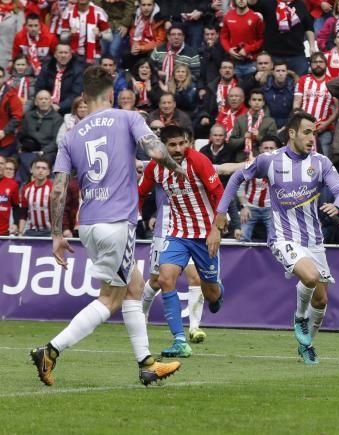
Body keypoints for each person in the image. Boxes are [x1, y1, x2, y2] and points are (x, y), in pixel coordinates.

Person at [32, 65, 184, 387]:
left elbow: (59, 188)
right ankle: (50, 350)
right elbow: (156, 150)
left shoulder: (72, 134)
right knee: (110, 298)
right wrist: (177, 168)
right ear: (112, 94)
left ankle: (147, 364)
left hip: (88, 223)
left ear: (85, 97)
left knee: (135, 286)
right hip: (118, 222)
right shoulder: (127, 118)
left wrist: (57, 235)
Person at [208, 111, 339, 365]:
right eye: (307, 132)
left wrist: (338, 205)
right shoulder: (270, 160)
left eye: (314, 133)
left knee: (322, 298)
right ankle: (299, 317)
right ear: (292, 133)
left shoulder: (320, 162)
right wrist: (221, 212)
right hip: (282, 237)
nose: (311, 138)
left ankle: (307, 345)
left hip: (313, 239)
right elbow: (238, 176)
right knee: (310, 276)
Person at [136, 125, 225, 358]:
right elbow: (140, 192)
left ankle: (217, 293)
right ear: (163, 146)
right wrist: (132, 216)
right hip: (176, 233)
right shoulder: (156, 168)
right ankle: (179, 341)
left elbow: (219, 193)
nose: (178, 149)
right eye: (172, 145)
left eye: (182, 143)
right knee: (165, 279)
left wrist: (216, 228)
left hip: (205, 234)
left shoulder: (199, 161)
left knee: (211, 292)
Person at [248, 0, 317, 76]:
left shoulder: (300, 4)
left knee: (300, 83)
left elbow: (308, 27)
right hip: (273, 55)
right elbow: (252, 4)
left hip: (296, 55)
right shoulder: (269, 2)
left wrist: (312, 46)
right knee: (270, 84)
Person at [237, 137, 277, 242]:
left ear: (277, 149)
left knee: (276, 240)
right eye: (266, 148)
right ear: (260, 149)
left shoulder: (282, 167)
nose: (268, 150)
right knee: (242, 237)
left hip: (271, 209)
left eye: (271, 148)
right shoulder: (252, 164)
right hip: (250, 207)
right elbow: (240, 187)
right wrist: (244, 206)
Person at [51, 0, 111, 64]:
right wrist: (70, 34)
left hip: (94, 54)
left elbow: (109, 37)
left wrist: (99, 34)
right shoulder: (68, 12)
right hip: (73, 54)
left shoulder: (99, 12)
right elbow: (62, 37)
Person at [36, 43, 86, 115]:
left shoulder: (78, 70)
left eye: (66, 53)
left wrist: (59, 106)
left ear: (70, 55)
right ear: (55, 55)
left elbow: (76, 94)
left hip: (67, 110)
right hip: (45, 107)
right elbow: (39, 88)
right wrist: (47, 104)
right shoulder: (46, 68)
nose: (63, 55)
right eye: (60, 52)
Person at [221, 0, 266, 77]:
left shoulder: (255, 17)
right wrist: (229, 49)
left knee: (251, 88)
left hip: (251, 62)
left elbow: (262, 39)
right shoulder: (228, 16)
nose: (241, 0)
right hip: (234, 63)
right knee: (236, 88)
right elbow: (223, 37)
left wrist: (247, 49)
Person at [17, 158, 52, 237]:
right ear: (32, 170)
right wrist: (20, 232)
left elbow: (58, 214)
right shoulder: (26, 189)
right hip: (31, 231)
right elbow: (23, 213)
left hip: (49, 232)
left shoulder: (53, 189)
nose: (40, 170)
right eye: (38, 167)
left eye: (44, 168)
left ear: (48, 172)